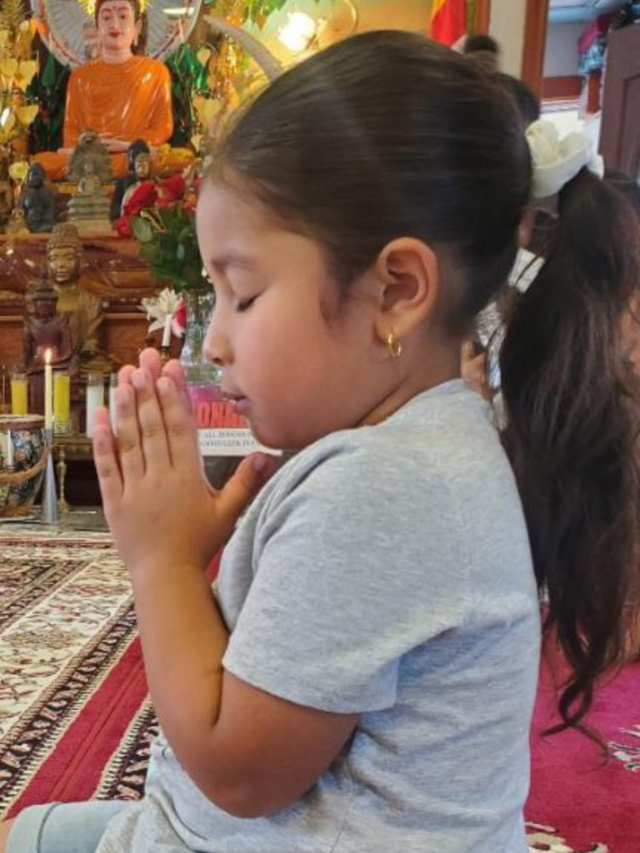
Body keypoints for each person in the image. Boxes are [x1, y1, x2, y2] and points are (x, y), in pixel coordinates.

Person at [3, 30, 640, 853]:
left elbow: (238, 772)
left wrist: (162, 560)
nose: (217, 339)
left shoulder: (385, 486)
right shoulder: (426, 442)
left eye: (242, 292)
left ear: (397, 290)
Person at [34, 0, 192, 180]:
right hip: (92, 157)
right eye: (107, 17)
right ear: (96, 28)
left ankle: (104, 169)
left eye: (123, 16)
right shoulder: (80, 77)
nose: (115, 24)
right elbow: (71, 136)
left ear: (137, 27)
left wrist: (127, 145)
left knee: (182, 159)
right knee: (41, 162)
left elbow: (163, 127)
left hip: (134, 154)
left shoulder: (156, 72)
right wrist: (93, 146)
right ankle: (107, 168)